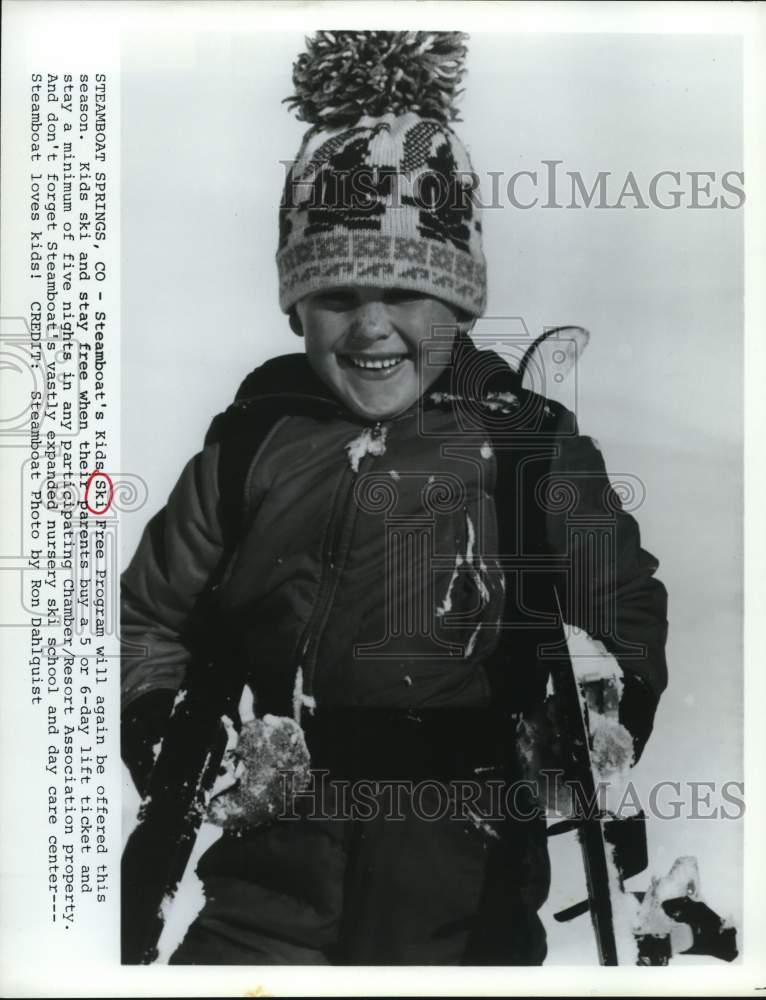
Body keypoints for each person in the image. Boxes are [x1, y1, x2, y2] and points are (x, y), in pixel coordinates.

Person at [121, 31, 668, 965]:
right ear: (296, 309)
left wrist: (605, 707)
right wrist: (167, 725)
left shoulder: (523, 447)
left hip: (466, 857)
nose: (371, 327)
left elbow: (621, 601)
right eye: (337, 296)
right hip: (271, 857)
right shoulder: (251, 445)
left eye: (406, 293)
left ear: (456, 305)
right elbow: (151, 614)